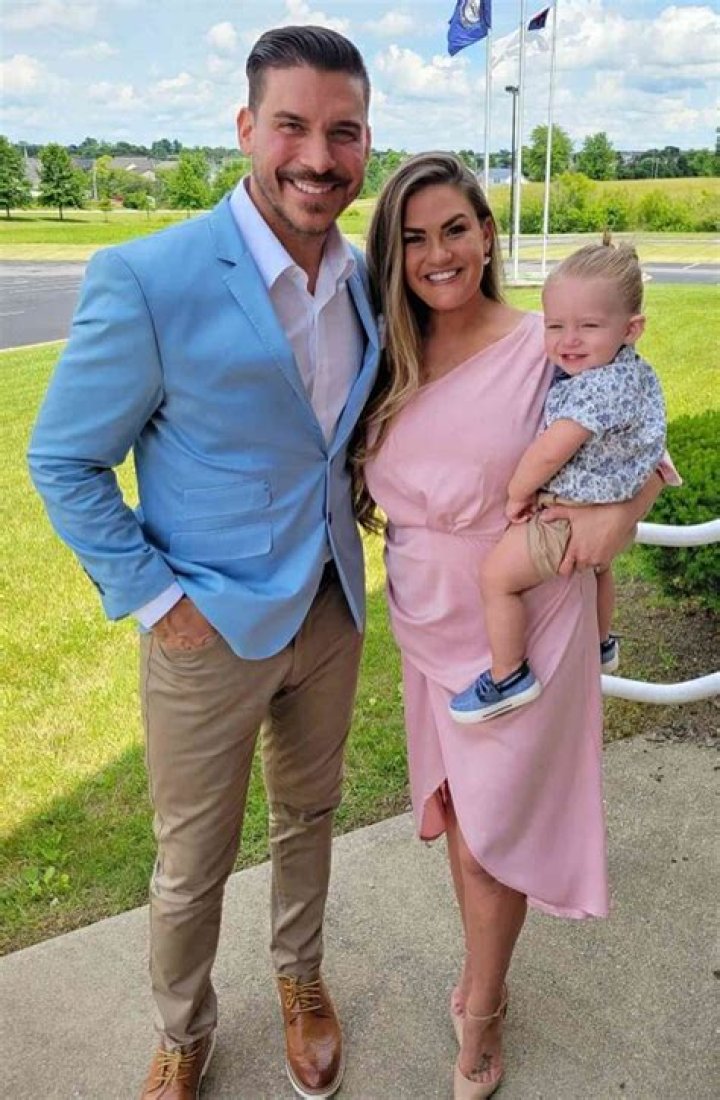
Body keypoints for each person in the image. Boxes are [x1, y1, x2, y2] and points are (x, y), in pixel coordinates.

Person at [28, 25, 376, 1100]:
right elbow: (64, 459)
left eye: (344, 131)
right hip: (205, 628)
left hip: (330, 608)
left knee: (310, 816)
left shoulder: (363, 278)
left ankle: (301, 977)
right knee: (191, 860)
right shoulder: (150, 277)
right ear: (245, 128)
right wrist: (158, 600)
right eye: (292, 125)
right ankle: (183, 1030)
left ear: (366, 143)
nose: (317, 156)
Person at [354, 153, 675, 1100]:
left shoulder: (549, 343)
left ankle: (485, 1010)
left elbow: (642, 440)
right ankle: (482, 970)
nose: (438, 254)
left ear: (488, 234)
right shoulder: (384, 351)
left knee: (494, 827)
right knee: (463, 815)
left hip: (525, 621)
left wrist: (619, 518)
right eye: (415, 237)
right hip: (426, 616)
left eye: (456, 228)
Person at [449, 242, 667, 724]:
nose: (569, 340)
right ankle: (601, 642)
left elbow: (550, 450)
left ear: (631, 329)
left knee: (497, 579)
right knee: (601, 569)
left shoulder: (593, 388)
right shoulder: (632, 372)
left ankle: (508, 675)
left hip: (567, 517)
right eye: (554, 325)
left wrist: (516, 494)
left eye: (588, 326)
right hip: (609, 506)